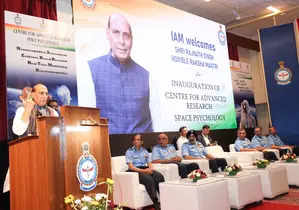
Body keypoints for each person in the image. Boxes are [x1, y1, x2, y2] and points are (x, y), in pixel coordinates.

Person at [87, 13, 152, 134]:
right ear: (108, 34)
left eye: (126, 35)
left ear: (132, 39)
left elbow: (151, 123)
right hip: (106, 147)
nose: (122, 41)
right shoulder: (91, 68)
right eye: (116, 33)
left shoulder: (146, 75)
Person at [125, 134, 164, 210]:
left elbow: (149, 163)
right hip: (134, 170)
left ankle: (163, 200)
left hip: (144, 168)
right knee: (149, 180)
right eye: (135, 140)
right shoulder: (129, 151)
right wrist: (144, 171)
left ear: (142, 142)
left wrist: (150, 169)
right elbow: (131, 166)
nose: (136, 141)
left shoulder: (145, 151)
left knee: (159, 176)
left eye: (138, 139)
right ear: (133, 142)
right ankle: (156, 203)